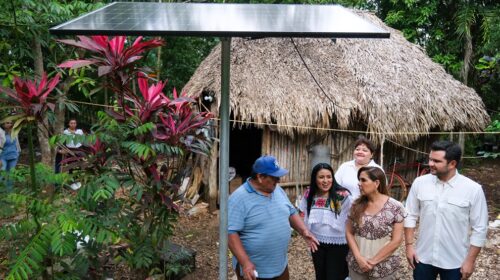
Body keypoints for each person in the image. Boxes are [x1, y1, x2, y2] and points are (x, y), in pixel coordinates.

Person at [404, 141, 488, 280]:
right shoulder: (420, 183)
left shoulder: (472, 189)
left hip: (455, 260)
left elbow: (480, 228)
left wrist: (470, 260)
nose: (430, 163)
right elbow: (410, 215)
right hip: (423, 257)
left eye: (436, 161)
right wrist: (409, 246)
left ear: (452, 164)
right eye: (430, 159)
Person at [228, 155, 319, 280]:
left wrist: (304, 231)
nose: (279, 180)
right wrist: (245, 263)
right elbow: (230, 233)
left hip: (280, 266)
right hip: (255, 270)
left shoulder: (277, 190)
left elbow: (291, 211)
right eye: (274, 177)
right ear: (260, 177)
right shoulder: (238, 198)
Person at [346, 166, 406, 280]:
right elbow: (349, 232)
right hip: (357, 265)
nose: (359, 183)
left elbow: (397, 240)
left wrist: (372, 262)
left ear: (377, 183)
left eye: (363, 180)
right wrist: (359, 258)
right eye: (359, 180)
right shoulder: (355, 205)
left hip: (384, 267)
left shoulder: (395, 207)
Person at [298, 163, 352, 280]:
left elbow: (352, 218)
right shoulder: (309, 194)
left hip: (339, 244)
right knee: (320, 275)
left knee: (335, 276)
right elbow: (302, 214)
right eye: (321, 177)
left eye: (329, 176)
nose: (326, 180)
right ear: (314, 179)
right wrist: (305, 234)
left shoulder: (342, 195)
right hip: (316, 242)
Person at [0, 120, 21, 191]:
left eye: (11, 123)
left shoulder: (14, 132)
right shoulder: (1, 133)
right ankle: (2, 191)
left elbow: (17, 144)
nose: (9, 124)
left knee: (11, 174)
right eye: (7, 123)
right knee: (2, 171)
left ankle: (9, 192)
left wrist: (18, 152)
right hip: (3, 156)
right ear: (3, 125)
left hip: (13, 156)